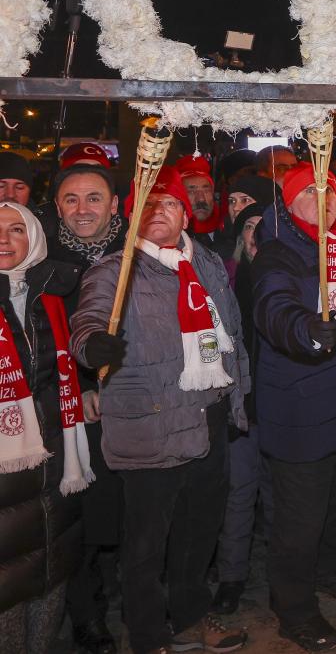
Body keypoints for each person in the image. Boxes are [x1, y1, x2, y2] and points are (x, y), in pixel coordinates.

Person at [70, 167, 251, 654]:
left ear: (183, 213)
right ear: (130, 215)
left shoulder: (207, 262)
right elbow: (89, 318)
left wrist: (239, 393)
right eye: (148, 206)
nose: (159, 214)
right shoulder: (116, 269)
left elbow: (229, 327)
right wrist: (93, 347)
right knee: (147, 541)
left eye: (168, 204)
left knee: (199, 530)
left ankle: (191, 615)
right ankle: (147, 633)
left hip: (207, 414)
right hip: (151, 420)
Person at [251, 165, 336, 650]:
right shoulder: (280, 249)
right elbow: (272, 305)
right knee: (300, 516)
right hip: (302, 407)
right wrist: (302, 330)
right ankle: (294, 608)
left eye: (330, 195)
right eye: (310, 195)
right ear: (290, 201)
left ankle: (327, 570)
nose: (323, 204)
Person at [43, 165, 127, 654]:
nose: (82, 210)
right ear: (56, 207)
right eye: (70, 200)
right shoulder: (43, 261)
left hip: (135, 399)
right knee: (82, 515)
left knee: (131, 508)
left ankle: (133, 595)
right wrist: (79, 388)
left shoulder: (135, 253)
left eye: (94, 198)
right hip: (75, 407)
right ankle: (88, 614)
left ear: (114, 204)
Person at [0, 202, 91, 654]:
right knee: (9, 580)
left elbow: (68, 365)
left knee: (52, 565)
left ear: (33, 240)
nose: (4, 239)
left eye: (17, 229)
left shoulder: (50, 297)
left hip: (55, 455)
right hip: (4, 469)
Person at [212, 202, 271, 617]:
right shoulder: (223, 279)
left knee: (281, 495)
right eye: (248, 226)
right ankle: (231, 577)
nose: (254, 235)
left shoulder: (289, 273)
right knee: (238, 493)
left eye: (262, 227)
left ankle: (287, 575)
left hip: (282, 405)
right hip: (240, 405)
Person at [176, 154, 222, 246]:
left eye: (206, 190)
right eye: (191, 191)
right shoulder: (171, 240)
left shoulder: (229, 231)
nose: (201, 199)